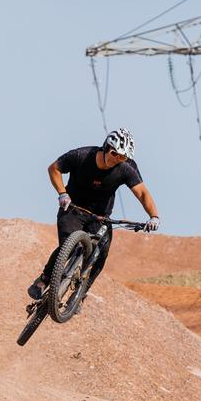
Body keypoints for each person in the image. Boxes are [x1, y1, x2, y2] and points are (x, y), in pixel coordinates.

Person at [27, 128, 160, 300]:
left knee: (101, 256)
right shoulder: (81, 155)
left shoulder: (126, 168)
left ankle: (80, 294)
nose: (117, 159)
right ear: (106, 147)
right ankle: (44, 280)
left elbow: (142, 192)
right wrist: (62, 193)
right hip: (73, 209)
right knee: (69, 245)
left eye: (123, 157)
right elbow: (54, 169)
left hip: (100, 217)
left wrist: (154, 216)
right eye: (115, 153)